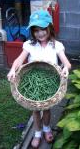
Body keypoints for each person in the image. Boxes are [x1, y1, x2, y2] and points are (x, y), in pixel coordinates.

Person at [7, 9, 71, 148]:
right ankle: (37, 132)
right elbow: (19, 60)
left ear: (49, 28)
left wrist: (65, 68)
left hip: (51, 81)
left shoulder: (57, 46)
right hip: (33, 76)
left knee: (47, 109)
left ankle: (47, 129)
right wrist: (13, 70)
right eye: (36, 30)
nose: (40, 33)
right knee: (35, 110)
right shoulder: (29, 45)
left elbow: (66, 63)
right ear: (32, 32)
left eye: (43, 29)